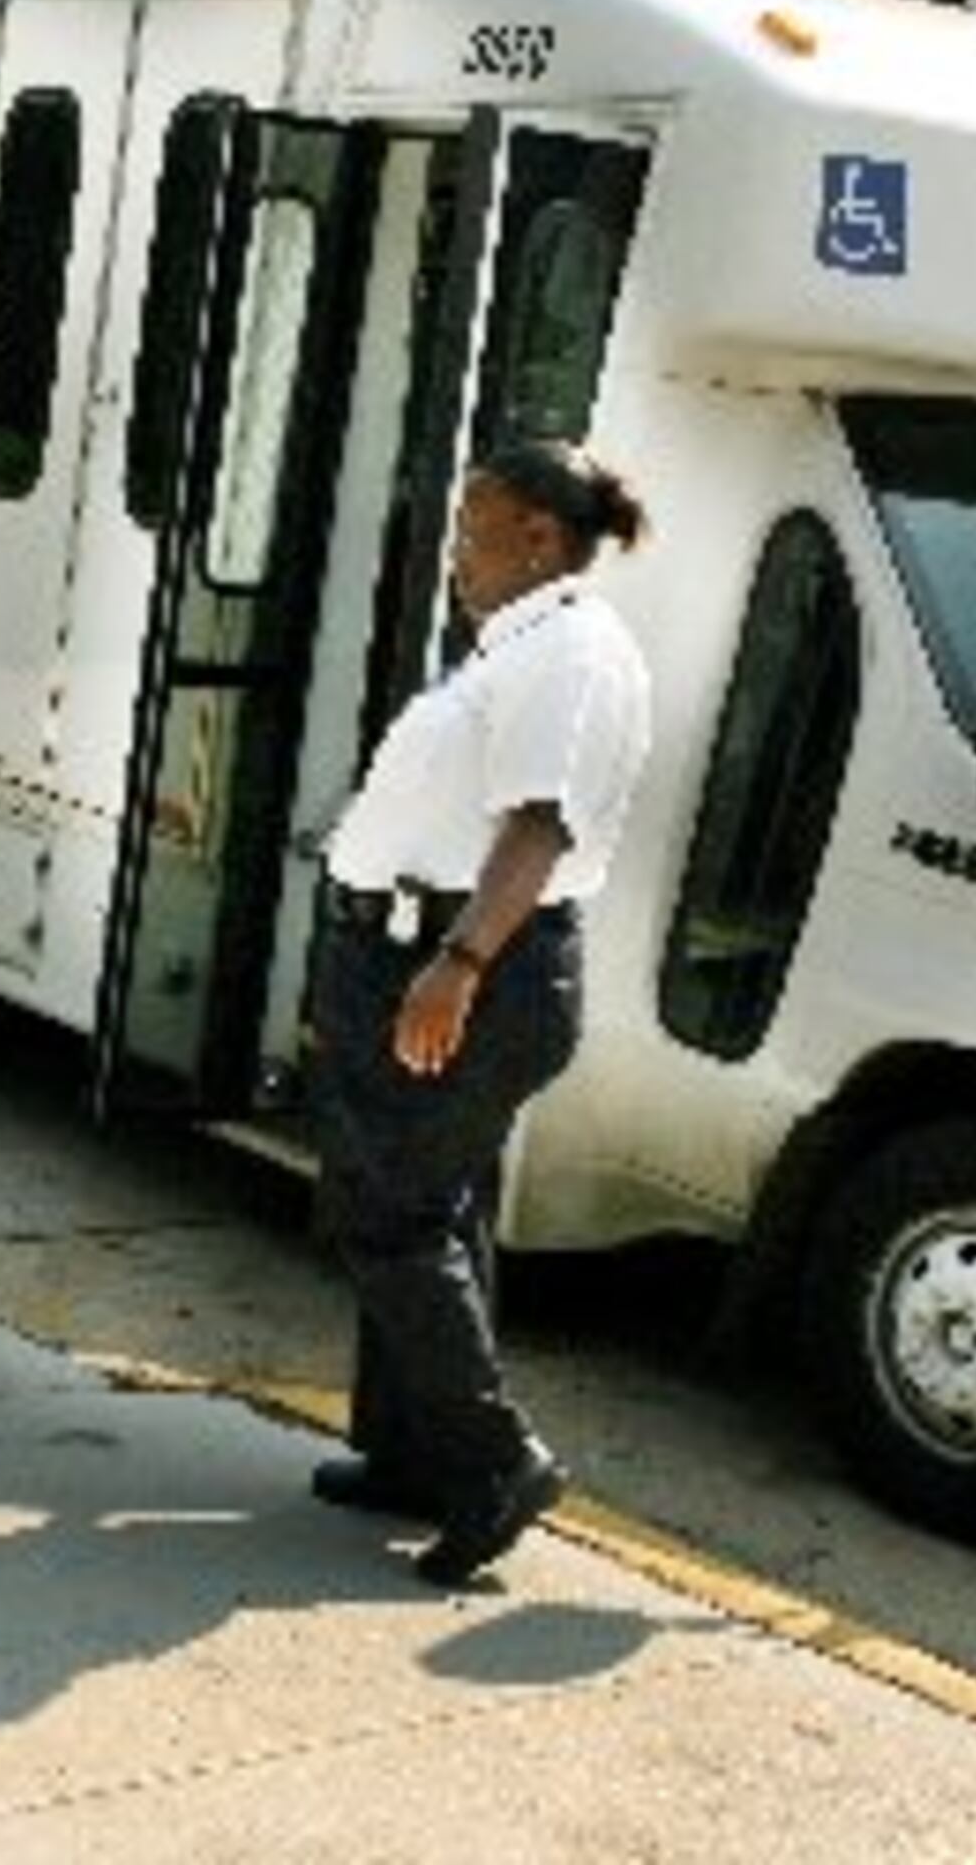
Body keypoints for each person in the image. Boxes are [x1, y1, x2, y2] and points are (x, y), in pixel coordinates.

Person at [305, 439, 652, 1587]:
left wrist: (455, 963)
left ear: (539, 538)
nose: (454, 551)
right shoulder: (530, 645)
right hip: (428, 951)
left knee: (391, 1216)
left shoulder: (570, 654)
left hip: (471, 964)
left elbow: (537, 828)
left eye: (471, 527)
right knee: (430, 1212)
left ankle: (495, 1463)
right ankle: (413, 1456)